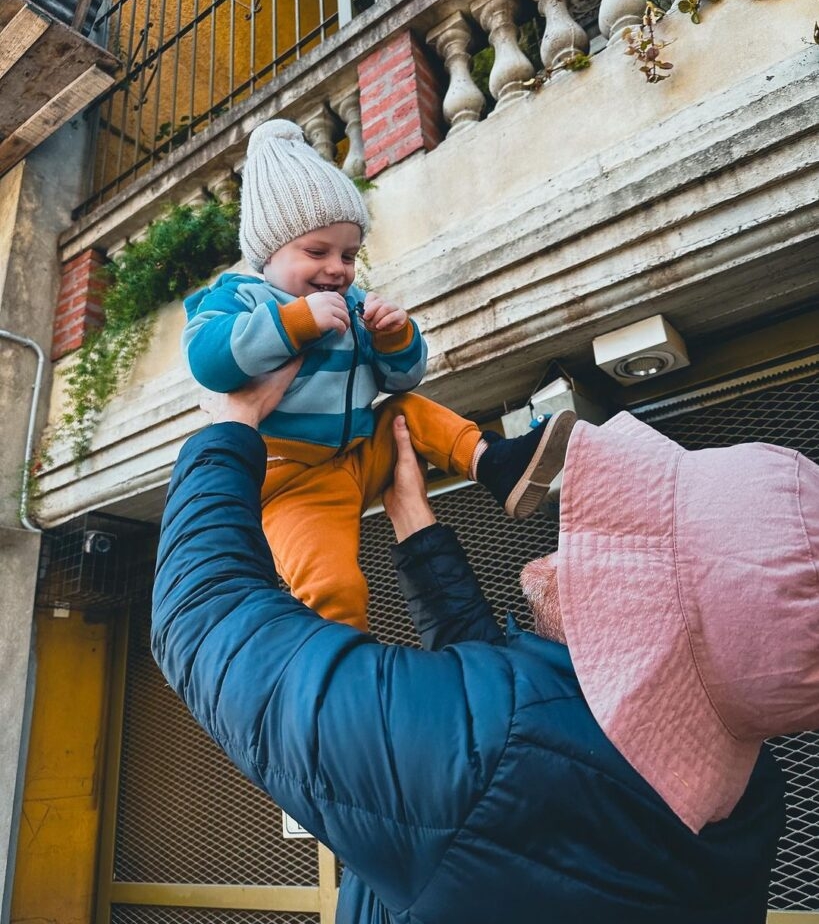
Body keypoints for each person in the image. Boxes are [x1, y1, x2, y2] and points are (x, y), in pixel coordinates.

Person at [152, 363, 819, 923]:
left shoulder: (488, 761)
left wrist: (228, 427)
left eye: (620, 543)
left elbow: (203, 615)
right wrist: (414, 523)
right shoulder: (749, 800)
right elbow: (521, 746)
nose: (567, 544)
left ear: (647, 615)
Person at [181, 119, 575, 630]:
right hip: (293, 481)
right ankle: (340, 667)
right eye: (316, 252)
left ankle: (496, 465)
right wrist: (294, 321)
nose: (338, 269)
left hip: (361, 454)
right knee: (331, 587)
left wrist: (394, 336)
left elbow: (405, 377)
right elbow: (208, 360)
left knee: (406, 412)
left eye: (348, 255)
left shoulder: (355, 303)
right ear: (268, 254)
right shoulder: (243, 297)